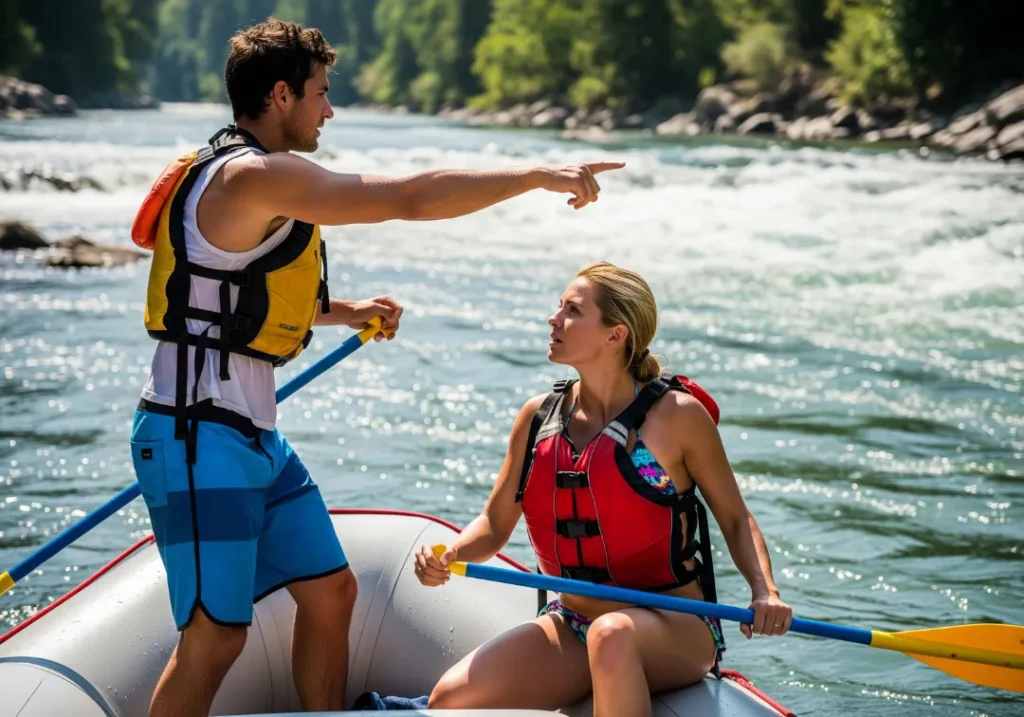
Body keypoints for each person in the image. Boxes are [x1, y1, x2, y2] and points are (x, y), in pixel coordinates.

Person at [127, 16, 624, 717]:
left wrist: (347, 308)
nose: (329, 110)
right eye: (321, 93)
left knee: (332, 592)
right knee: (216, 634)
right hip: (194, 434)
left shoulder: (256, 179)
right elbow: (408, 197)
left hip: (248, 437)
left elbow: (236, 297)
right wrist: (539, 173)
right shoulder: (251, 177)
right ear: (280, 95)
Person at [412, 262, 793, 717]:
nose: (554, 320)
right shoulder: (538, 418)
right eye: (559, 308)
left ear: (616, 335)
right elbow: (494, 524)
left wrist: (764, 591)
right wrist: (450, 555)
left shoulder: (677, 417)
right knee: (449, 700)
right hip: (574, 621)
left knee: (612, 635)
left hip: (676, 626)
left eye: (572, 310)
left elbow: (734, 516)